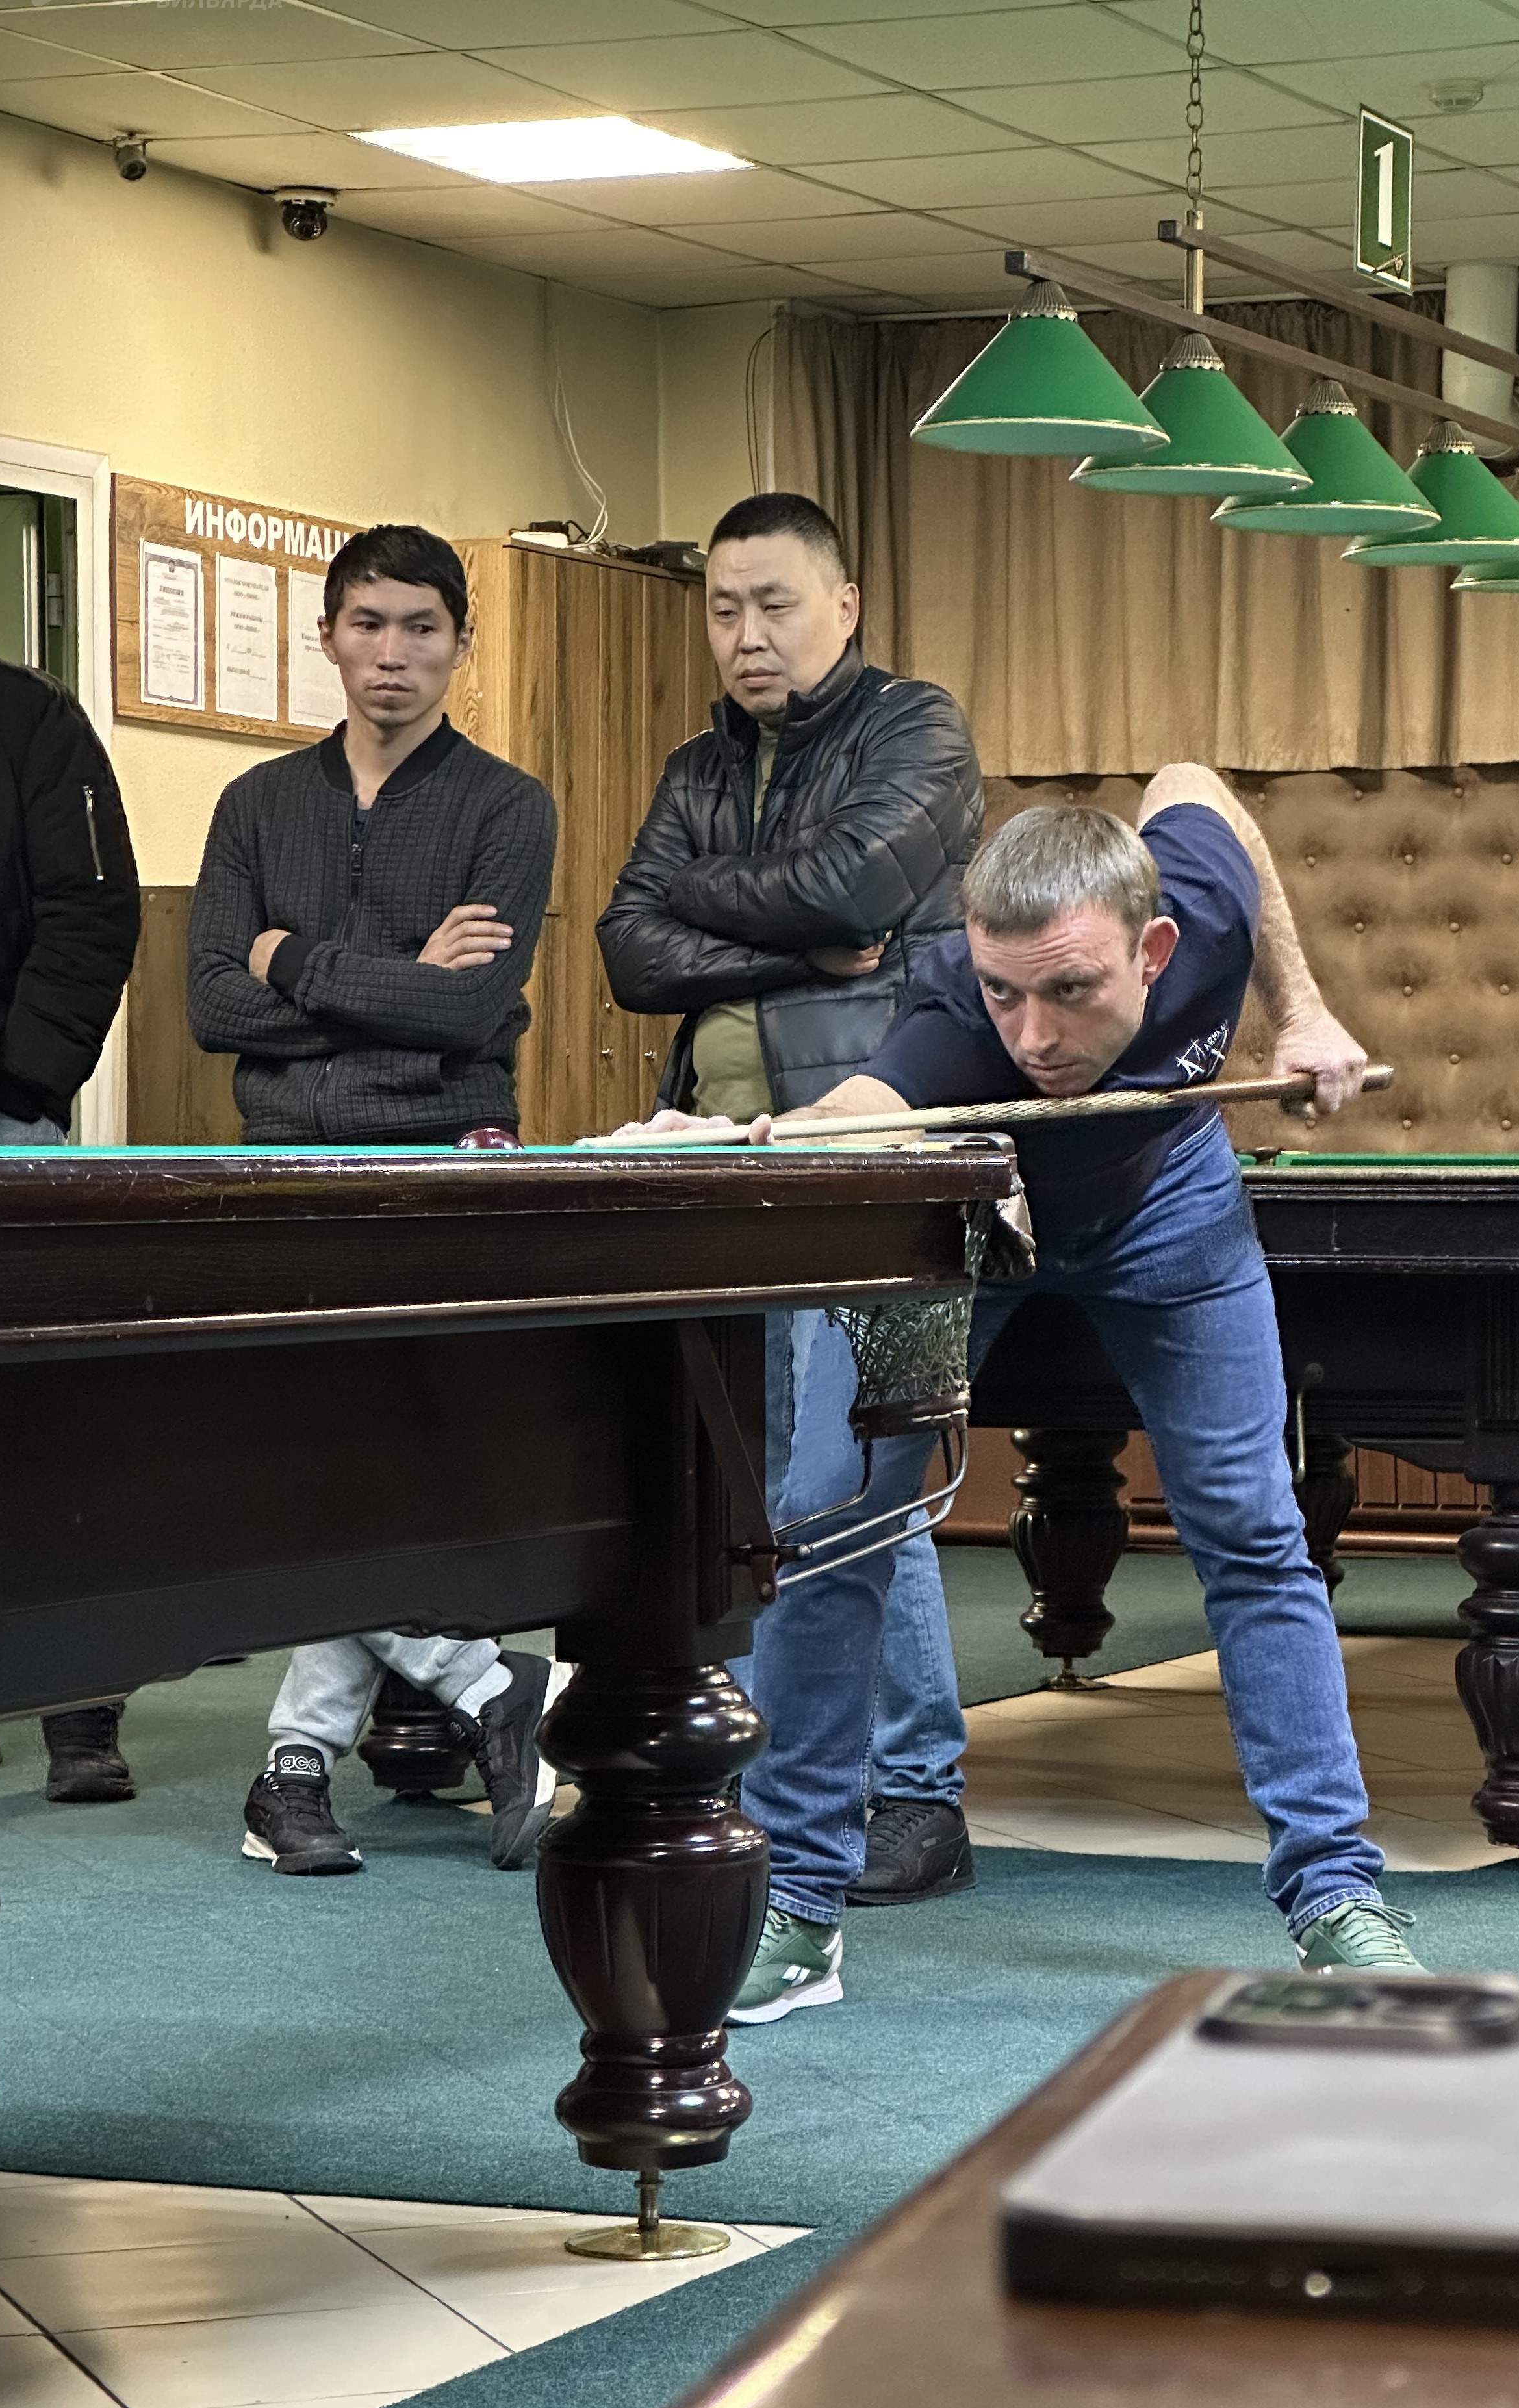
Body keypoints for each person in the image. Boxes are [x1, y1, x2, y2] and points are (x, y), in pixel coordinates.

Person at [637, 762, 1420, 2019]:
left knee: (1254, 1532)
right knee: (829, 1525)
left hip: (1169, 1202)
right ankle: (799, 1901)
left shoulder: (1204, 901)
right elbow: (861, 1107)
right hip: (965, 1210)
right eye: (1006, 991)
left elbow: (1197, 782)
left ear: (1156, 950)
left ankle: (1336, 1893)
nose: (1035, 1037)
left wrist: (1307, 1012)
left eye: (1071, 991)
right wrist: (744, 1143)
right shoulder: (959, 1016)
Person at [598, 491, 985, 1907]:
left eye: (773, 604)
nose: (746, 634)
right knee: (761, 1485)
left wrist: (710, 901)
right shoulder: (700, 764)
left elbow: (856, 889)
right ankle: (797, 1779)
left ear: (845, 605)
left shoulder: (916, 728)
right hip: (712, 1153)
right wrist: (791, 941)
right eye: (723, 609)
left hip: (862, 1150)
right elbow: (628, 950)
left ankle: (918, 1791)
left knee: (855, 1473)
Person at [188, 524, 559, 1878]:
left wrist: (293, 960)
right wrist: (399, 978)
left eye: (420, 627)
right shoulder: (255, 806)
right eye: (367, 624)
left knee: (380, 1464)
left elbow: (472, 1010)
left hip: (443, 1159)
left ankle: (295, 1770)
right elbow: (206, 1003)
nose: (391, 653)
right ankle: (484, 1689)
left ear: (461, 644)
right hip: (285, 1167)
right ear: (327, 635)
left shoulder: (508, 808)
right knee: (321, 1461)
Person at [0, 660, 144, 1802]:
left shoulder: (35, 721)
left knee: (38, 1421)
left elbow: (92, 917)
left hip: (5, 1114)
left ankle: (78, 1696)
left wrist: (22, 1085)